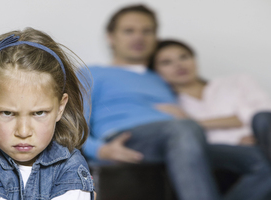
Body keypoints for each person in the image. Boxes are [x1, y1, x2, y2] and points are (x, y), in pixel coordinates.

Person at [82, 4, 271, 200]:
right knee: (182, 129)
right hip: (131, 138)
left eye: (147, 31)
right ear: (111, 37)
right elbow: (71, 125)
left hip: (182, 141)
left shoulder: (163, 77)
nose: (139, 37)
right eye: (129, 31)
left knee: (261, 162)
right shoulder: (92, 73)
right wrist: (99, 149)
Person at [0, 27, 95, 200]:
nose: (23, 132)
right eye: (8, 113)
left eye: (39, 113)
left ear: (60, 108)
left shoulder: (70, 164)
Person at [152, 39, 271, 160]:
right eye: (166, 62)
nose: (179, 65)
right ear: (155, 71)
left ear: (194, 59)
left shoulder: (238, 81)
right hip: (227, 157)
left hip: (262, 141)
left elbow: (261, 114)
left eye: (184, 57)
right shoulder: (172, 106)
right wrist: (236, 140)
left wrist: (193, 122)